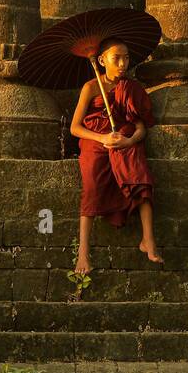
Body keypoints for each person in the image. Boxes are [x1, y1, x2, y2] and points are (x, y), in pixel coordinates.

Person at [70, 38, 161, 275]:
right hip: (95, 141)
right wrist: (102, 139)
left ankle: (148, 240)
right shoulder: (91, 87)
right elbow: (75, 128)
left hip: (124, 139)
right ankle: (83, 253)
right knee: (91, 186)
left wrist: (129, 140)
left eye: (126, 57)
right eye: (116, 58)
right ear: (101, 61)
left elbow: (141, 127)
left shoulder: (131, 88)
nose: (123, 63)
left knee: (140, 175)